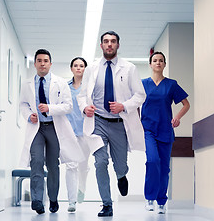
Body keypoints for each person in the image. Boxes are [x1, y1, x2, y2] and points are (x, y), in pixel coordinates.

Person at [77, 31, 146, 217]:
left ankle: (122, 175)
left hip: (119, 123)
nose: (109, 44)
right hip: (97, 122)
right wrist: (85, 108)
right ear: (101, 45)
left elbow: (140, 95)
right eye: (106, 41)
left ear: (118, 45)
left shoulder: (129, 68)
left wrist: (124, 105)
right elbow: (82, 95)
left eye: (113, 41)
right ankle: (107, 204)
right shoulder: (91, 69)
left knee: (120, 164)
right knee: (100, 162)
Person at [19, 49, 84, 215]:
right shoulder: (27, 84)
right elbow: (23, 104)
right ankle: (37, 200)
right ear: (35, 64)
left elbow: (68, 106)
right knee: (36, 161)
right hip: (37, 128)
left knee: (53, 165)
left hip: (55, 128)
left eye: (45, 60)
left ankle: (53, 199)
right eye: (39, 60)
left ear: (50, 63)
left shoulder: (60, 82)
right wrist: (29, 115)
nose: (42, 63)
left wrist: (50, 108)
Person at [141, 51, 190, 214]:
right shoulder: (142, 84)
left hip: (165, 130)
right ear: (150, 64)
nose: (158, 63)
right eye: (155, 60)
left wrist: (177, 117)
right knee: (152, 161)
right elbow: (133, 104)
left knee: (164, 167)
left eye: (161, 60)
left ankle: (161, 200)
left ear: (164, 64)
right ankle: (149, 198)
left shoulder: (171, 84)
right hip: (148, 129)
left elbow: (186, 104)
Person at [64, 57, 91, 212]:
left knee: (82, 165)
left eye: (81, 66)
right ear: (71, 68)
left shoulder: (90, 87)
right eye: (76, 65)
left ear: (85, 69)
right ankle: (72, 201)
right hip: (69, 131)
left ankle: (82, 188)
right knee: (71, 165)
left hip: (86, 132)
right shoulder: (65, 87)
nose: (79, 68)